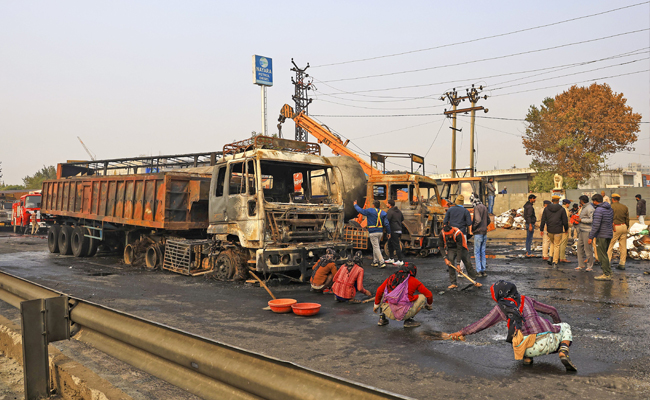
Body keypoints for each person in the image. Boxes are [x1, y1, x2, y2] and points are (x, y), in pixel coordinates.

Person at [449, 281, 577, 372]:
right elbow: (552, 310)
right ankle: (563, 350)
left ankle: (527, 359)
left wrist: (462, 332)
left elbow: (482, 323)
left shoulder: (500, 308)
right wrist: (556, 326)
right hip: (550, 342)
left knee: (520, 332)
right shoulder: (526, 299)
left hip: (526, 348)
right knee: (565, 326)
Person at [374, 264, 433, 328]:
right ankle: (409, 320)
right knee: (422, 297)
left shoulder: (391, 277)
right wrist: (429, 304)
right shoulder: (414, 280)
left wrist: (376, 306)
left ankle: (382, 319)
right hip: (405, 313)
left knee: (384, 293)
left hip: (388, 312)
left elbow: (379, 291)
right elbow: (429, 295)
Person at [439, 222, 483, 286]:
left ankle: (474, 281)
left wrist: (458, 264)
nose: (450, 236)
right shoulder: (442, 233)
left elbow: (459, 249)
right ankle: (453, 283)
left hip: (461, 248)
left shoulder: (458, 233)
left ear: (452, 231)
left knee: (468, 263)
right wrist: (445, 258)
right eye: (448, 235)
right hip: (451, 248)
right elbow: (441, 247)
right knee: (450, 263)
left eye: (451, 234)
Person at [354, 200, 390, 268]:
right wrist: (389, 232)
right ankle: (375, 261)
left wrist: (355, 205)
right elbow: (386, 224)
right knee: (375, 246)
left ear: (373, 205)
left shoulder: (370, 211)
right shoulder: (383, 213)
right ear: (379, 206)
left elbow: (361, 211)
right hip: (380, 232)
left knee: (376, 247)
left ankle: (381, 262)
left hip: (373, 232)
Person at [588, 194, 614, 281]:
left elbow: (596, 225)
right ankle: (608, 272)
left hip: (601, 235)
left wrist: (591, 236)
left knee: (602, 255)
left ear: (595, 201)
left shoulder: (598, 210)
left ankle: (606, 274)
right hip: (609, 234)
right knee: (605, 254)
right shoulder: (609, 209)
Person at [539, 195, 568, 269]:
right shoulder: (562, 209)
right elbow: (565, 220)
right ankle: (555, 261)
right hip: (558, 230)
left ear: (552, 201)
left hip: (550, 230)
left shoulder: (546, 209)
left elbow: (543, 220)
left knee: (552, 243)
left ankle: (550, 256)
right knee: (557, 245)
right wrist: (566, 229)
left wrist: (541, 229)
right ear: (558, 201)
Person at [607, 193, 629, 271]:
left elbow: (609, 218)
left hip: (615, 227)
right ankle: (622, 264)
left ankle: (607, 263)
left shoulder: (610, 207)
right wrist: (627, 227)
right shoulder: (624, 207)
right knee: (623, 246)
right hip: (624, 226)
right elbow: (627, 219)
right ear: (619, 199)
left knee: (610, 245)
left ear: (612, 199)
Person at [574, 195, 595, 272]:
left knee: (588, 249)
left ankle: (590, 266)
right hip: (582, 230)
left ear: (582, 201)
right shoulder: (584, 207)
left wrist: (581, 220)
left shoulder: (589, 208)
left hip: (587, 230)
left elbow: (592, 220)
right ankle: (581, 264)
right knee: (579, 247)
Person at [471, 195, 490, 276]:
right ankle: (483, 270)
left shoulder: (477, 208)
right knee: (482, 251)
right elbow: (488, 220)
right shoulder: (484, 207)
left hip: (478, 233)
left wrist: (473, 227)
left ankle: (478, 271)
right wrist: (484, 225)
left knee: (477, 252)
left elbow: (477, 220)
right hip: (484, 232)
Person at [385, 199, 404, 266]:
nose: (386, 204)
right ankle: (391, 258)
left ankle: (400, 260)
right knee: (390, 243)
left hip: (393, 230)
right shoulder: (398, 211)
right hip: (399, 229)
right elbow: (402, 219)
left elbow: (387, 220)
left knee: (396, 245)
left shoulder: (390, 211)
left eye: (387, 203)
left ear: (389, 205)